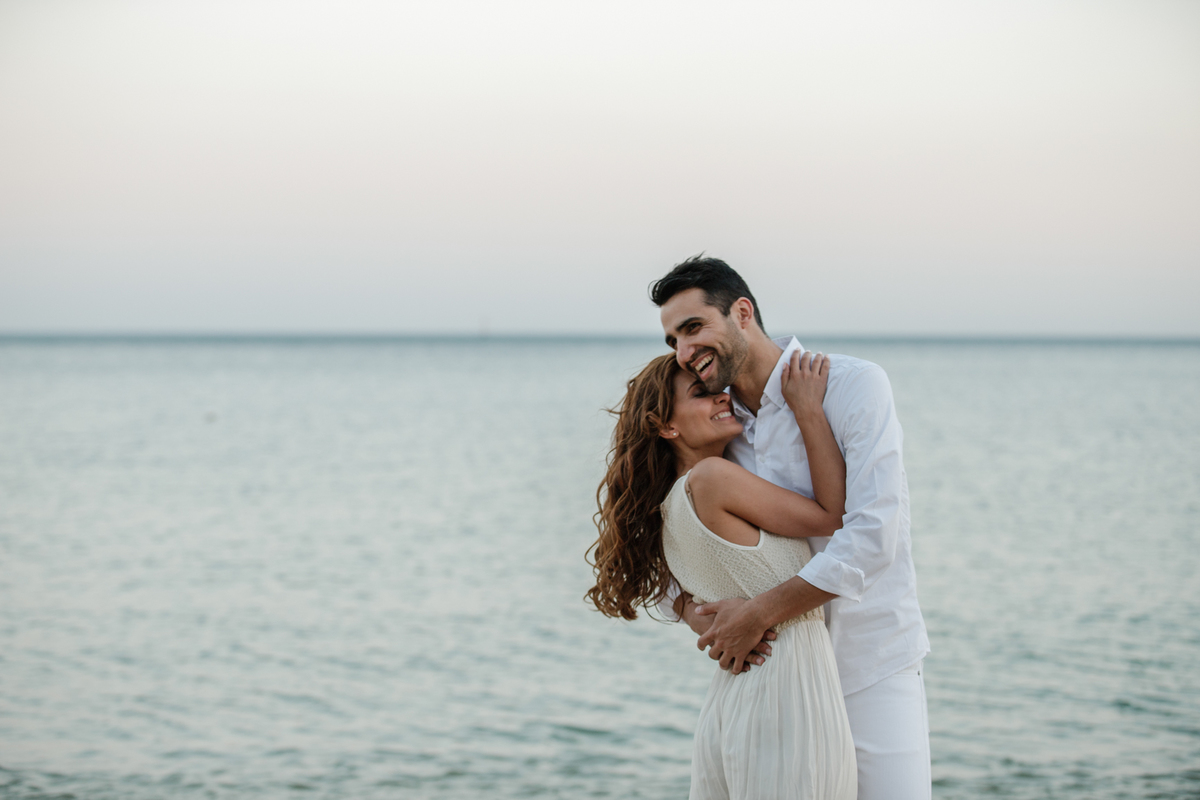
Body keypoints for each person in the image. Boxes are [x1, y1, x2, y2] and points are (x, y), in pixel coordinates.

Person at [651, 255, 932, 800]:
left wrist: (756, 613)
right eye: (673, 341)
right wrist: (696, 614)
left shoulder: (852, 386)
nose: (684, 352)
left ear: (742, 312)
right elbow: (663, 519)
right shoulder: (718, 424)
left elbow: (874, 535)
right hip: (776, 677)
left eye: (692, 328)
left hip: (870, 662)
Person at [587, 349, 857, 799]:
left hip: (735, 696)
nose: (721, 399)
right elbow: (832, 516)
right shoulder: (713, 478)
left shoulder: (667, 511)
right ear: (667, 427)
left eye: (718, 391)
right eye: (702, 394)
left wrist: (689, 610)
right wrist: (808, 409)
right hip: (785, 687)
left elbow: (677, 590)